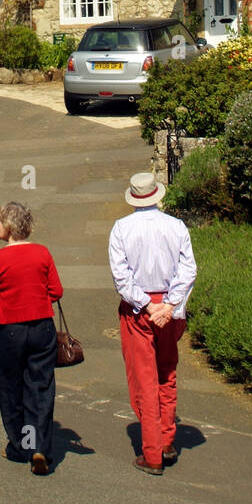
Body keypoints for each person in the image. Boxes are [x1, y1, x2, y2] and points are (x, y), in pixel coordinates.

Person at [108, 171, 197, 476]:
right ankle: (167, 440)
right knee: (166, 373)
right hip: (170, 310)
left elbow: (122, 278)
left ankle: (152, 452)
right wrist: (169, 305)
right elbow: (188, 271)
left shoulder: (121, 229)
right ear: (157, 194)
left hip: (139, 310)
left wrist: (148, 305)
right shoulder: (176, 226)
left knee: (143, 379)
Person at [0, 201, 63, 476]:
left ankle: (20, 445)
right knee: (40, 386)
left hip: (11, 329)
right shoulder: (42, 253)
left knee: (11, 388)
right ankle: (40, 446)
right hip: (42, 326)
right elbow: (56, 290)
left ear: (7, 227)